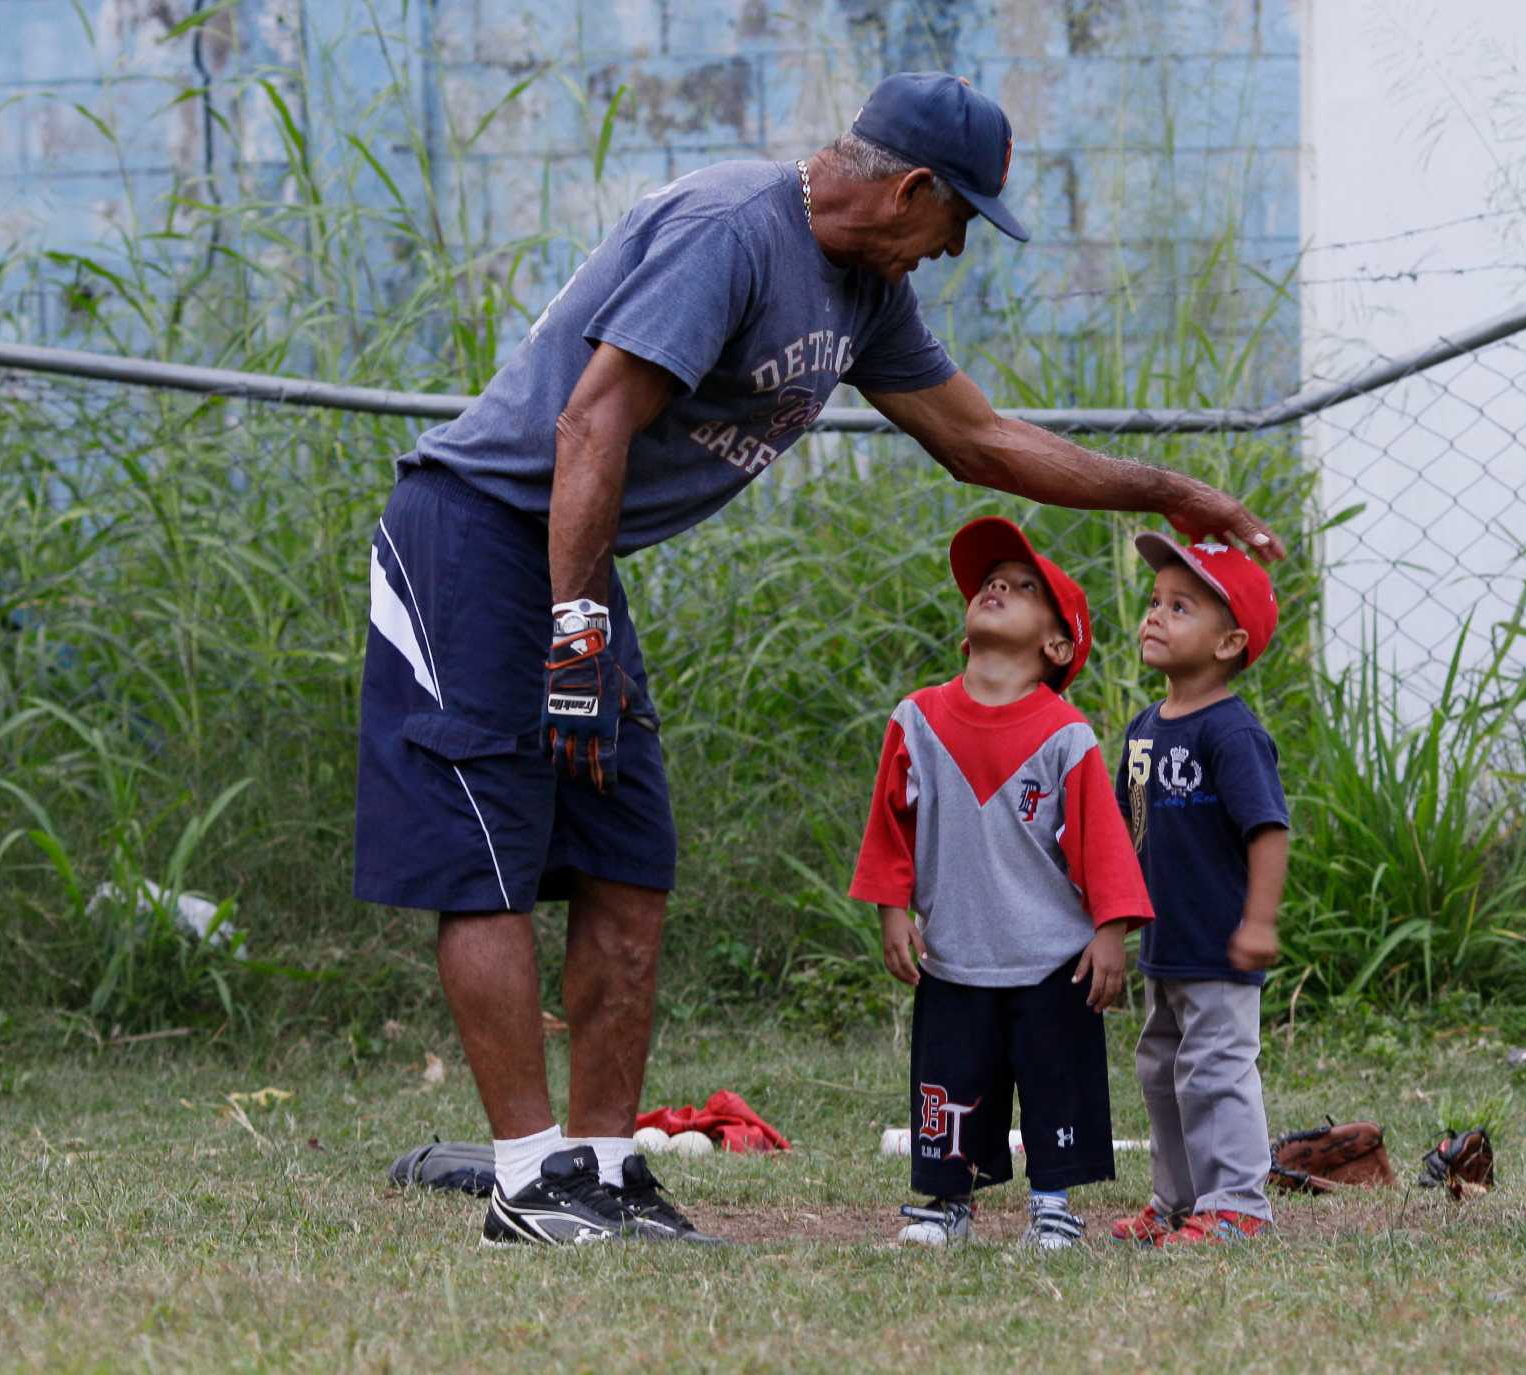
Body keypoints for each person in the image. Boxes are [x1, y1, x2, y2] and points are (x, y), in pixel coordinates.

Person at [352, 68, 1284, 1248]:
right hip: (477, 536)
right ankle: (530, 1182)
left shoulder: (863, 291)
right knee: (488, 846)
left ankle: (599, 1168)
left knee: (626, 855)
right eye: (957, 222)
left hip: (572, 554)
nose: (952, 252)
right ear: (907, 190)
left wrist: (1163, 487)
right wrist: (577, 635)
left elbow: (977, 437)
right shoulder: (733, 230)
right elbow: (590, 420)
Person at [849, 516, 1153, 1250]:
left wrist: (1110, 932)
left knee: (1056, 1087)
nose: (996, 587)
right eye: (990, 582)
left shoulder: (1065, 733)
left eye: (1022, 588)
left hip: (1052, 958)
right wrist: (893, 908)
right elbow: (890, 823)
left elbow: (1102, 845)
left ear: (1057, 645)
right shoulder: (915, 718)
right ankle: (948, 1203)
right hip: (953, 952)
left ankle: (1052, 1205)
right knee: (950, 1089)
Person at [1109, 533, 1290, 1246]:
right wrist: (1109, 916)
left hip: (1219, 944)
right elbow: (1130, 829)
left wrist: (1259, 920)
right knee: (1162, 1071)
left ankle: (1240, 1201)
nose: (1155, 615)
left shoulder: (1232, 731)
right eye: (1155, 601)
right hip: (1165, 945)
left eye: (1180, 606)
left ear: (1229, 642)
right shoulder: (1144, 729)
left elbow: (1267, 829)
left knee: (1216, 1071)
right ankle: (1181, 1200)